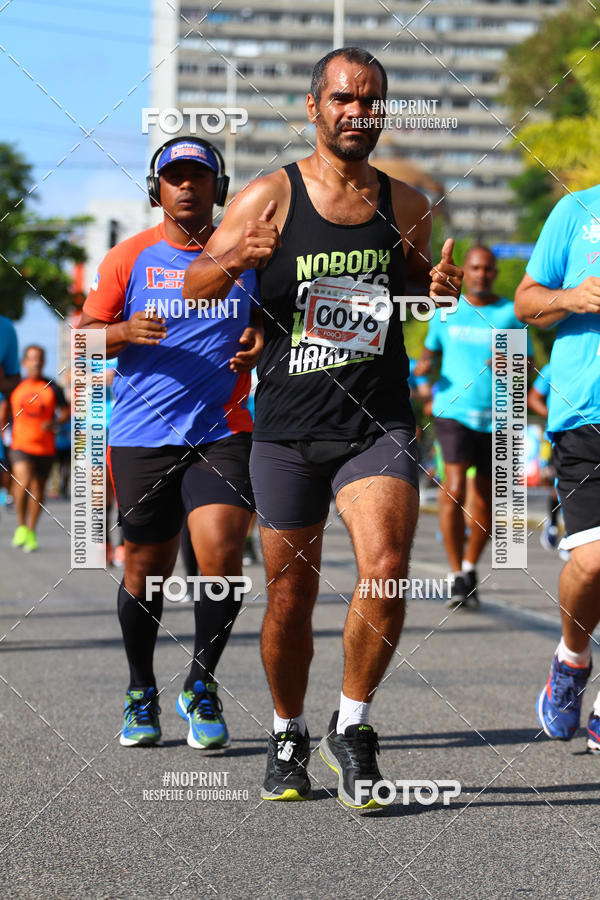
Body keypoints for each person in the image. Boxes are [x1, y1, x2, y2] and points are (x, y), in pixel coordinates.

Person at [183, 47, 462, 807]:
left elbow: (417, 283)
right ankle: (287, 731)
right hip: (286, 427)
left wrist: (435, 285)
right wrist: (235, 257)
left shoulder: (408, 204)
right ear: (314, 107)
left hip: (377, 419)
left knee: (387, 564)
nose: (357, 112)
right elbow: (194, 282)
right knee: (289, 598)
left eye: (370, 101)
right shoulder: (270, 196)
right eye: (343, 98)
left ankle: (354, 725)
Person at [79, 137, 262, 749]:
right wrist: (123, 331)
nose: (187, 186)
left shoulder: (247, 256)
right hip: (142, 436)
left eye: (199, 176)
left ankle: (201, 685)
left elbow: (275, 319)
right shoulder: (128, 258)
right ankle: (140, 692)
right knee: (145, 568)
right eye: (175, 176)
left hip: (223, 430)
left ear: (219, 188)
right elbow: (80, 340)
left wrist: (261, 338)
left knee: (222, 555)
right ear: (156, 189)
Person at [514, 185, 600, 752]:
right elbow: (526, 303)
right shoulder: (576, 210)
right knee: (592, 563)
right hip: (586, 413)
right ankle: (572, 657)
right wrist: (572, 297)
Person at [415, 246, 532, 609]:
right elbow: (428, 355)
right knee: (453, 488)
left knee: (485, 498)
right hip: (454, 411)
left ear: (495, 273)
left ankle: (468, 568)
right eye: (476, 268)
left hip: (498, 415)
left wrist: (514, 362)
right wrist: (423, 375)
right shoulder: (447, 311)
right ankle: (455, 574)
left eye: (488, 269)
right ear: (466, 270)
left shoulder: (511, 313)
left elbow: (528, 369)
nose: (482, 274)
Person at [9, 345, 69, 552]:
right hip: (20, 444)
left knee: (38, 489)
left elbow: (66, 411)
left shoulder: (53, 387)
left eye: (39, 359)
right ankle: (21, 526)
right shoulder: (15, 386)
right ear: (24, 362)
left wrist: (55, 423)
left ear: (44, 362)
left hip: (45, 447)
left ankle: (31, 530)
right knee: (23, 482)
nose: (36, 362)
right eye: (32, 359)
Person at [527, 363, 565, 555]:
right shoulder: (552, 368)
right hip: (560, 435)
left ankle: (574, 534)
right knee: (561, 483)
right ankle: (554, 523)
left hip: (590, 432)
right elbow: (533, 398)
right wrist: (554, 417)